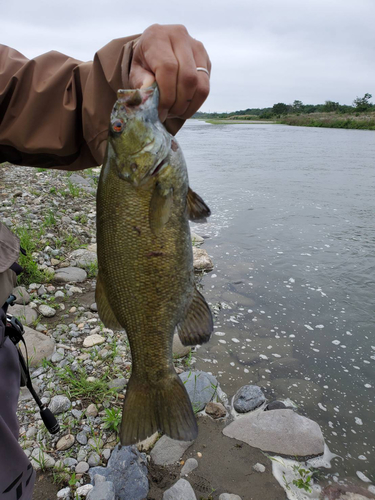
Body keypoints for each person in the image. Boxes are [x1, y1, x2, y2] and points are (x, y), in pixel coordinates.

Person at [0, 24, 210, 499]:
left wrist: (129, 59)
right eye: (119, 126)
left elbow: (24, 93)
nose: (126, 115)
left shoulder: (143, 168)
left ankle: (152, 374)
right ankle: (153, 375)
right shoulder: (145, 170)